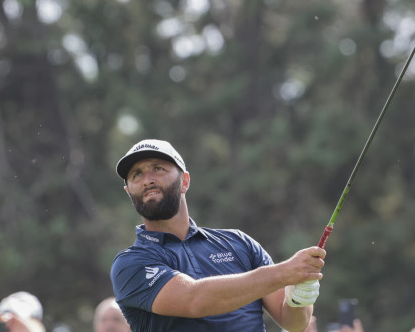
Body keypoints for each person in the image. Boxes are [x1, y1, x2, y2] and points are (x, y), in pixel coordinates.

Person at [110, 139, 326, 332]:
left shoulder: (240, 243)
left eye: (158, 168)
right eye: (137, 174)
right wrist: (285, 272)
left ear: (185, 181)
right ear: (129, 191)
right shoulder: (130, 264)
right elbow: (194, 300)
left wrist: (300, 294)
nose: (147, 179)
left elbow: (293, 323)